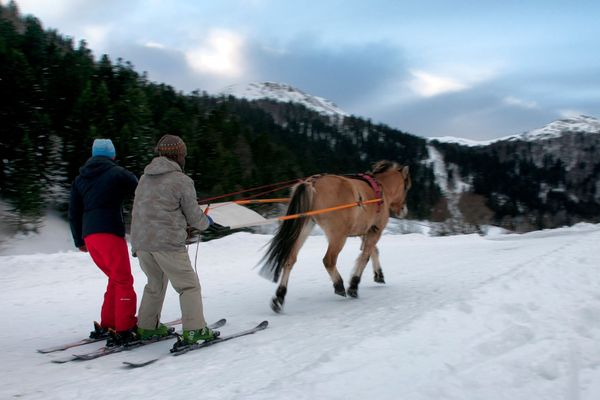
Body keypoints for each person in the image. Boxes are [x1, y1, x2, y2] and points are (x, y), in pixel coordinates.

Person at [130, 134, 220, 349]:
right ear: (179, 155)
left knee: (155, 285)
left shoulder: (144, 178)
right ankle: (196, 330)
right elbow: (194, 217)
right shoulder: (182, 180)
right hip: (167, 243)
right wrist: (206, 222)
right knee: (188, 286)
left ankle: (147, 327)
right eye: (183, 154)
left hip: (142, 243)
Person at [68, 138, 139, 345]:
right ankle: (125, 328)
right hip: (109, 232)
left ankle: (108, 323)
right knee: (124, 280)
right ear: (112, 155)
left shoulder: (80, 179)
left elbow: (74, 212)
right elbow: (140, 188)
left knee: (115, 278)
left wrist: (78, 239)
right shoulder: (117, 173)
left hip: (90, 236)